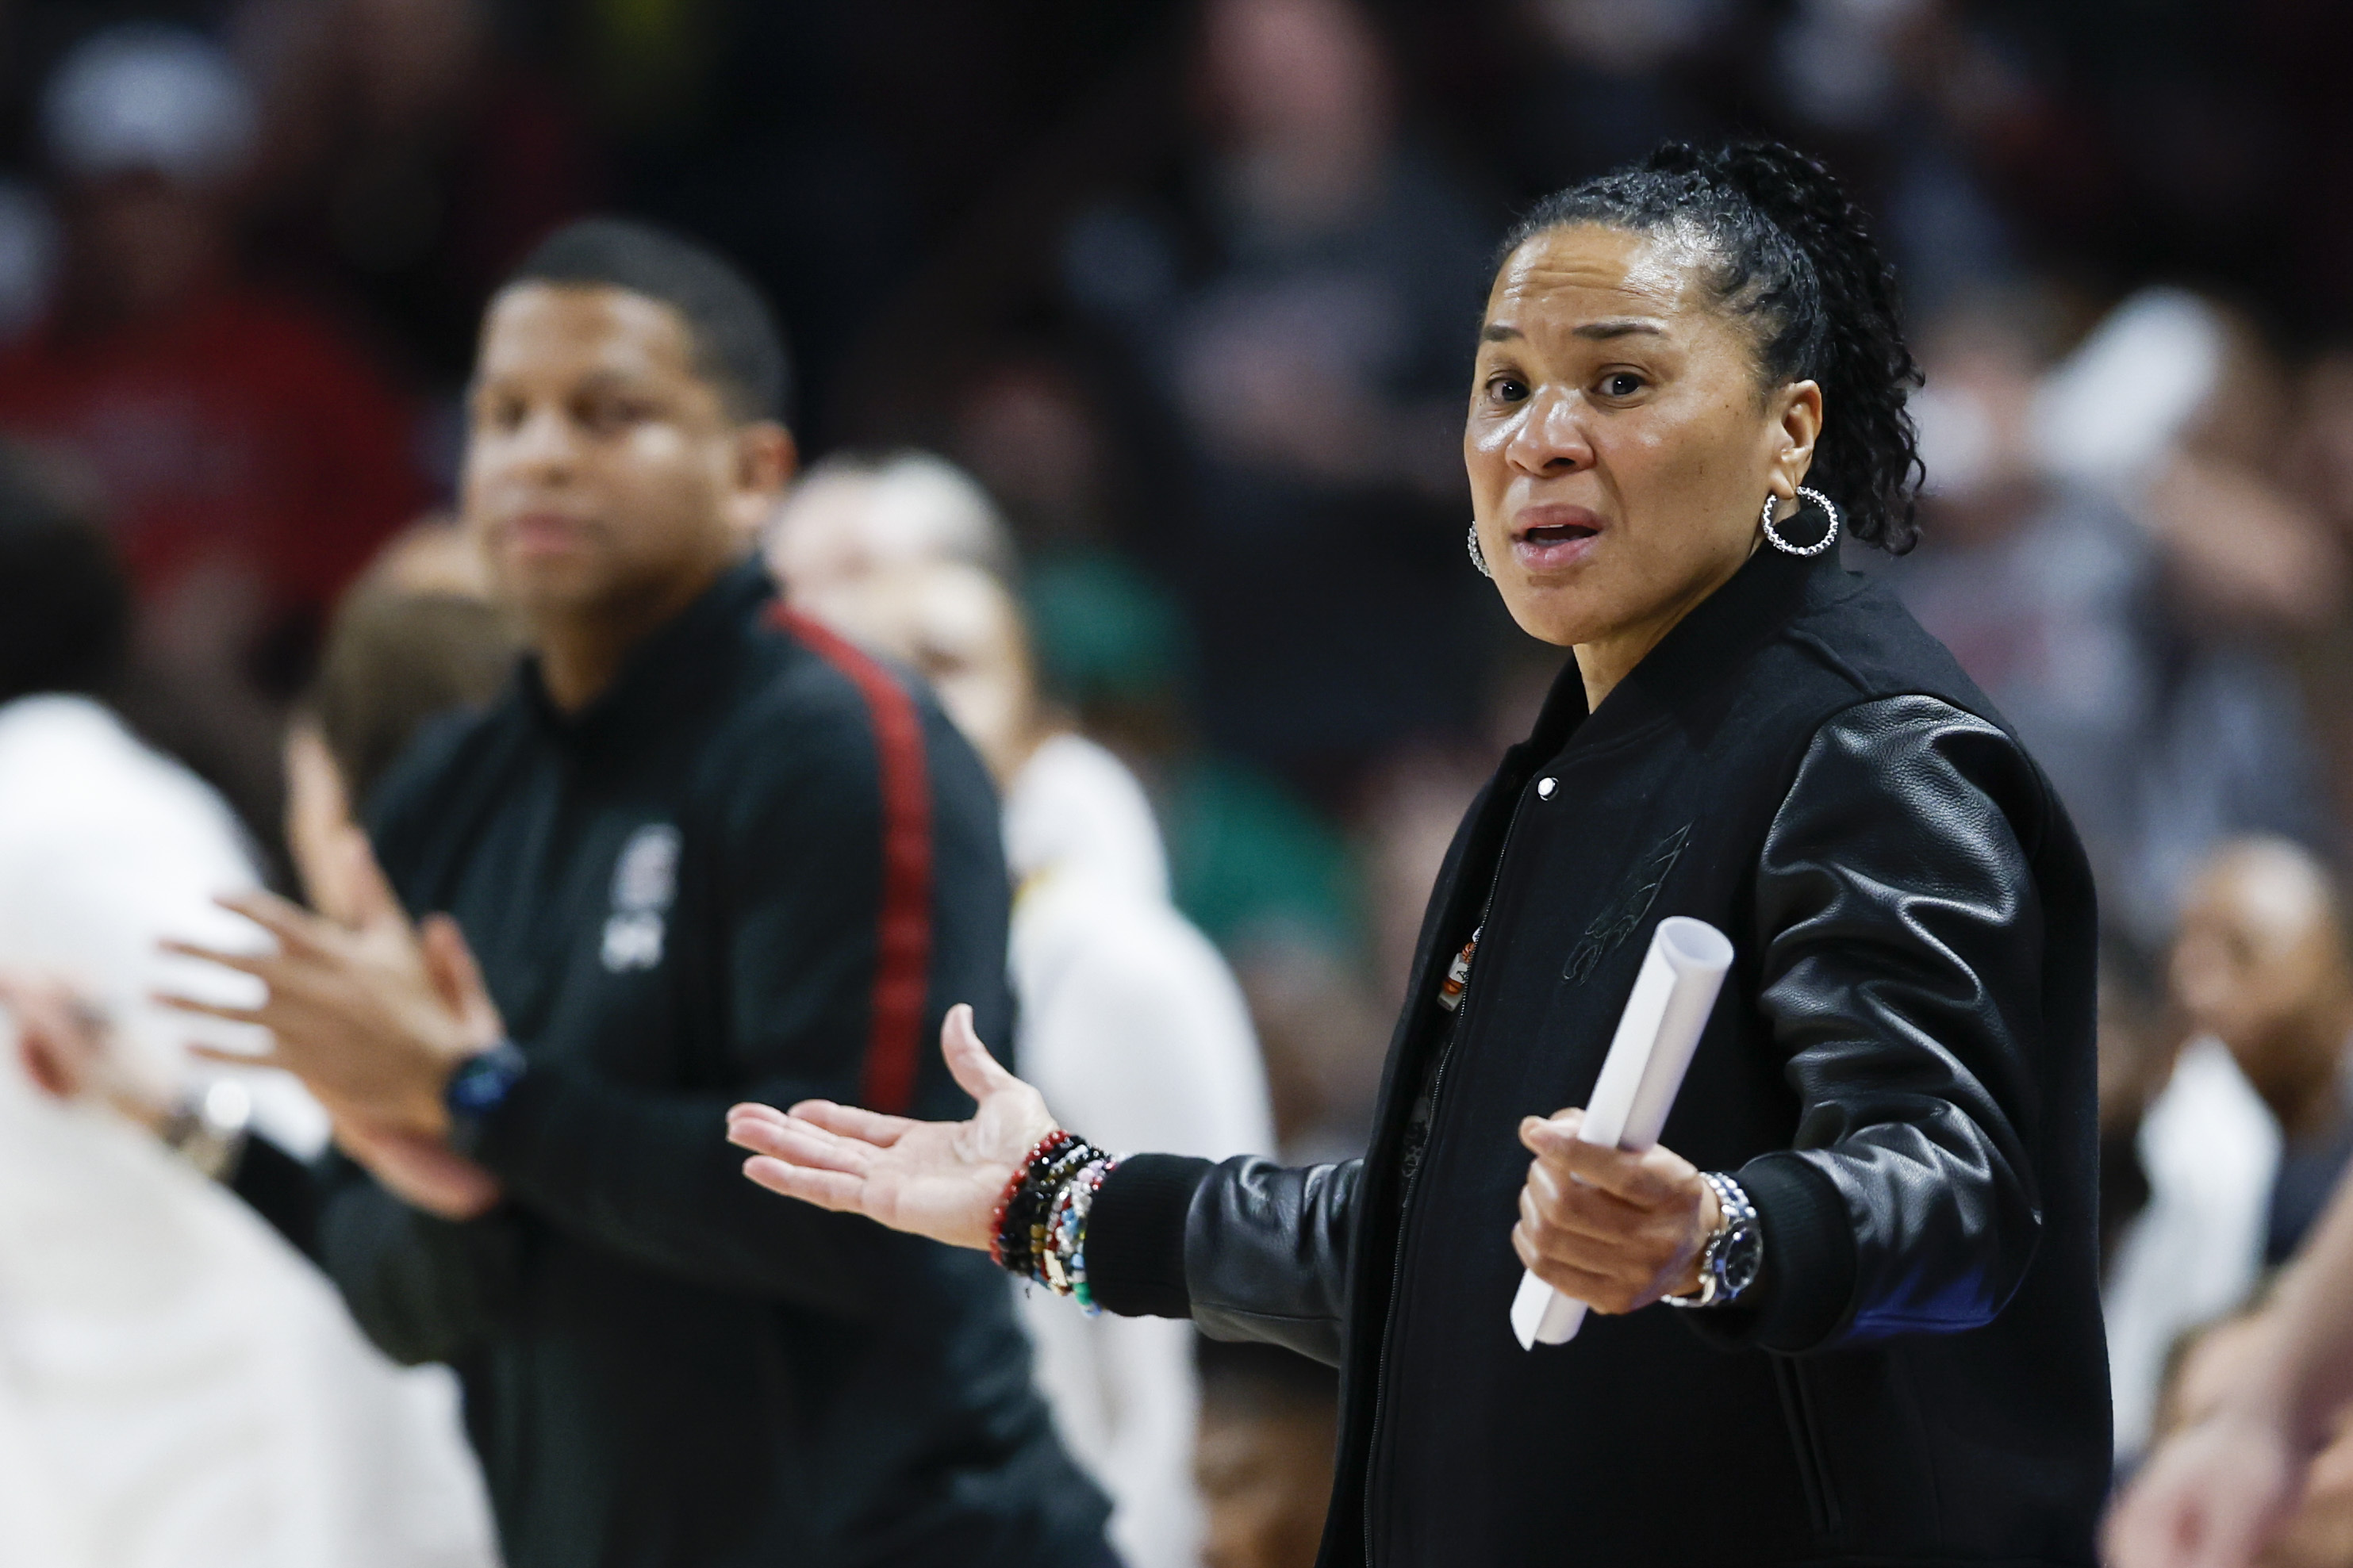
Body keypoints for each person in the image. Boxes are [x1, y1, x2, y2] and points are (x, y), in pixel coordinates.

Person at [731, 140, 2110, 1563]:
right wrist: (1059, 1203)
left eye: (1619, 382)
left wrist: (1723, 1232)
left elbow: (1955, 1191)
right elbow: (1443, 1247)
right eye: (1505, 385)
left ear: (1790, 431)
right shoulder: (1571, 769)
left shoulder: (1869, 748)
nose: (1539, 436)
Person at [160, 217, 1113, 1568]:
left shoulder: (848, 742)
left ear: (751, 474)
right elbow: (398, 1298)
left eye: (608, 413)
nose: (539, 452)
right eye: (505, 413)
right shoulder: (449, 793)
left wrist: (485, 1104)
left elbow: (877, 1214)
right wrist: (441, 1172)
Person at [0, 448, 496, 1568]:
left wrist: (360, 1531)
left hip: (233, 1483)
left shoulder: (61, 811)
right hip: (107, 1469)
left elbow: (285, 1142)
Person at [800, 546, 1277, 1568]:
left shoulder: (1123, 967)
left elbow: (1200, 1337)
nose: (911, 701)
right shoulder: (820, 963)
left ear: (1038, 719)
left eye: (950, 662)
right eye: (876, 668)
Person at [0, 24, 429, 834]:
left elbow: (399, 532)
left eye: (156, 196)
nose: (129, 229)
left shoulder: (304, 360)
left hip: (263, 704)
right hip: (48, 713)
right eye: (103, 200)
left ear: (215, 202)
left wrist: (276, 583)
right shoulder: (21, 376)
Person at [2171, 838, 2353, 1264]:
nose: (2194, 990)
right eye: (2185, 952)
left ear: (2337, 984)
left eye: (2241, 952)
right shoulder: (2156, 1139)